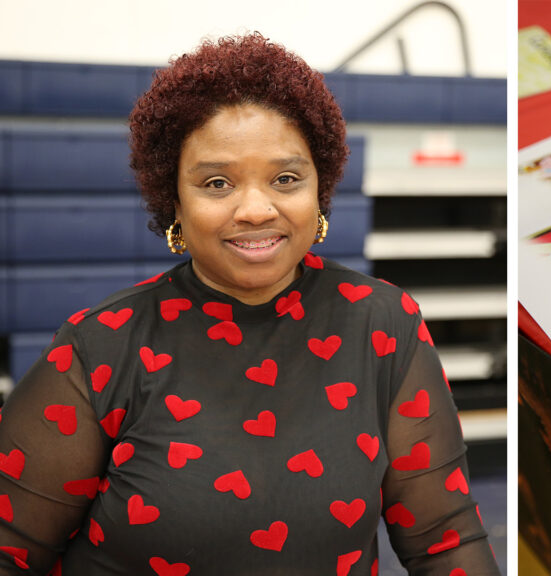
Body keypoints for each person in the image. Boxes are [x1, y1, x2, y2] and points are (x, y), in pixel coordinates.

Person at [0, 33, 500, 576]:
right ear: (175, 201)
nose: (256, 209)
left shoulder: (382, 323)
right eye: (218, 183)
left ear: (320, 189)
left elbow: (444, 541)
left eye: (286, 179)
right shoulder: (99, 347)